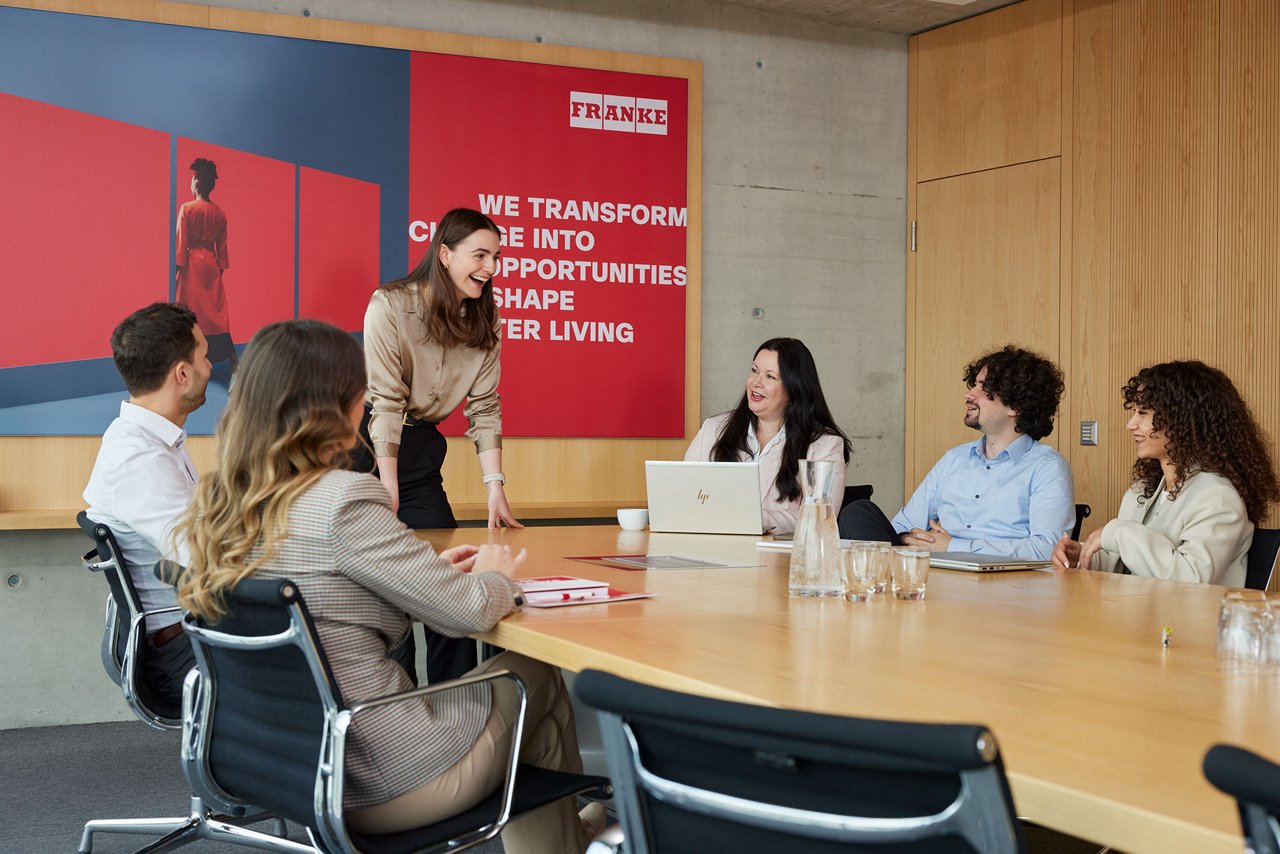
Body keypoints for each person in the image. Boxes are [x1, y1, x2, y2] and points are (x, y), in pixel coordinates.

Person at [172, 319, 602, 850]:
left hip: (291, 770)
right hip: (384, 777)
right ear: (340, 404)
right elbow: (467, 614)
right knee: (535, 672)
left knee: (524, 708)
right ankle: (569, 841)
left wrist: (430, 575)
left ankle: (566, 841)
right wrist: (494, 575)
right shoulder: (344, 499)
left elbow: (332, 594)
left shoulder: (222, 506)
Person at [359, 207, 523, 683]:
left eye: (495, 256)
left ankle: (457, 704)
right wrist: (385, 485)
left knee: (451, 587)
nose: (490, 267)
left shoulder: (485, 321)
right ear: (445, 255)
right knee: (387, 593)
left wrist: (495, 486)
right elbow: (386, 403)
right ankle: (397, 709)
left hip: (423, 454)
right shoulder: (389, 305)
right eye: (480, 255)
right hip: (369, 452)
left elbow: (485, 409)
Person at [83, 302, 211, 708]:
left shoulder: (147, 440)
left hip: (187, 630)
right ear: (182, 373)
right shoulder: (142, 460)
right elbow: (206, 562)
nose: (211, 367)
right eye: (204, 356)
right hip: (181, 651)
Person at [1052, 361, 1279, 586]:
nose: (1131, 424)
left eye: (1143, 412)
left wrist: (1117, 532)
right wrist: (1084, 556)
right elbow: (1128, 565)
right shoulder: (1140, 491)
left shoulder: (1217, 498)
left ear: (1181, 419)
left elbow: (1190, 579)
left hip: (1186, 622)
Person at [838, 345, 1074, 560]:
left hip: (1004, 585)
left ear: (1015, 406)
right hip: (934, 577)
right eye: (974, 385)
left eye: (984, 387)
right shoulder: (954, 459)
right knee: (857, 512)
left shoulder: (1047, 466)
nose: (969, 394)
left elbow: (1047, 549)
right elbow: (902, 525)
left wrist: (952, 546)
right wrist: (910, 538)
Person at [684, 338, 851, 534]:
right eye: (754, 371)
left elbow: (819, 518)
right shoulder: (714, 429)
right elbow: (686, 494)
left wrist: (746, 516)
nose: (756, 382)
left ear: (794, 389)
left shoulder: (824, 445)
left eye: (770, 377)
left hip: (779, 560)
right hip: (712, 550)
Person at [175, 157, 235, 369]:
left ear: (197, 182)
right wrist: (217, 272)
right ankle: (234, 365)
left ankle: (189, 363)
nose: (191, 183)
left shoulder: (187, 209)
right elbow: (223, 250)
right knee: (217, 319)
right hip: (211, 266)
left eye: (193, 179)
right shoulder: (220, 214)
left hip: (192, 267)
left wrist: (177, 273)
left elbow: (180, 247)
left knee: (189, 315)